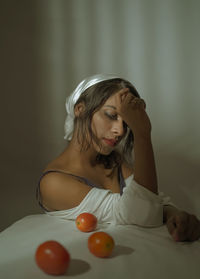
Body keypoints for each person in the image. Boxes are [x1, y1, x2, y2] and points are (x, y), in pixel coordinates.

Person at [37, 74, 200, 242]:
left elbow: (154, 202)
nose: (120, 131)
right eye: (111, 115)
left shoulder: (113, 161)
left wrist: (176, 215)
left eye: (127, 123)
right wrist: (142, 134)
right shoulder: (53, 183)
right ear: (80, 109)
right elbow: (141, 215)